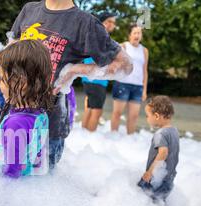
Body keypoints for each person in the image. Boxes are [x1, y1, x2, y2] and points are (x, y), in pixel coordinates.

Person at [10, 0, 132, 169]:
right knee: (8, 177)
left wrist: (74, 70)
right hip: (13, 112)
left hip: (49, 121)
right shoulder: (29, 9)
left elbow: (126, 65)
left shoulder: (85, 23)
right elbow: (11, 48)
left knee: (39, 183)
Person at [0, 40, 53, 178]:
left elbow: (11, 172)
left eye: (2, 79)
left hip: (12, 189)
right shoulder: (40, 115)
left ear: (21, 82)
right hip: (28, 185)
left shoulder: (15, 124)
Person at [138, 96, 179, 201]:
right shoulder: (174, 131)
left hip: (156, 179)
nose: (146, 118)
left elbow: (163, 153)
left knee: (141, 199)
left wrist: (149, 172)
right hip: (169, 179)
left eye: (147, 116)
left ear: (156, 116)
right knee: (159, 205)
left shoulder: (160, 134)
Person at [81, 12, 116, 132]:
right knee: (96, 111)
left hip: (89, 78)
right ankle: (90, 139)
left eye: (113, 22)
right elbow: (102, 58)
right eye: (110, 22)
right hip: (97, 79)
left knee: (90, 108)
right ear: (103, 23)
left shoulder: (93, 35)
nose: (113, 25)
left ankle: (83, 136)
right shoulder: (102, 37)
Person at [111, 24, 149, 134]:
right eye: (135, 33)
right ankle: (113, 136)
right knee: (117, 113)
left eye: (139, 33)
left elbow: (144, 70)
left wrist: (144, 89)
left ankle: (130, 139)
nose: (137, 35)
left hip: (138, 86)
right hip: (122, 84)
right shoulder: (123, 46)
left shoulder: (144, 51)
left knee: (134, 115)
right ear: (130, 35)